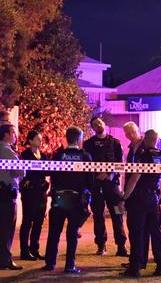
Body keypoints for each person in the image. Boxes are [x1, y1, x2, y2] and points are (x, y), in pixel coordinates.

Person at [43, 126, 93, 273]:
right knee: (72, 234)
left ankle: (50, 263)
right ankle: (70, 265)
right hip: (76, 200)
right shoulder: (85, 157)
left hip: (59, 198)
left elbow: (53, 176)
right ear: (79, 139)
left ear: (67, 138)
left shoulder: (58, 155)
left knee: (54, 232)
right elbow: (90, 182)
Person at [121, 129, 161, 278]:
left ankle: (135, 267)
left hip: (140, 198)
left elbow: (135, 178)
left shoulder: (143, 155)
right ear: (157, 140)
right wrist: (159, 197)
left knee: (136, 233)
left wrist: (125, 197)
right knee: (156, 232)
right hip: (154, 198)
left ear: (145, 140)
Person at [83, 117, 128, 256]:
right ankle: (101, 245)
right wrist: (96, 176)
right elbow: (86, 165)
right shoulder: (88, 144)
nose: (98, 125)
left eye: (99, 123)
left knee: (117, 214)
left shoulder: (115, 143)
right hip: (96, 186)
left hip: (112, 186)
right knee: (98, 215)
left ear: (104, 124)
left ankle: (121, 246)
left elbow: (120, 163)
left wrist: (109, 175)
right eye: (94, 124)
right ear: (93, 128)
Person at [19, 130, 48, 261]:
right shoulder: (24, 155)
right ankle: (24, 251)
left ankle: (34, 249)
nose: (40, 141)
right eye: (37, 139)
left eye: (41, 139)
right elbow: (23, 174)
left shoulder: (44, 155)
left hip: (41, 193)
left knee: (38, 222)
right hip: (29, 193)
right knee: (27, 221)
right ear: (30, 141)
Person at [0, 114, 24, 270]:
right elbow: (19, 172)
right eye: (13, 133)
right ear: (7, 135)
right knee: (7, 228)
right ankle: (5, 260)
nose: (15, 136)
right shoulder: (7, 151)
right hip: (7, 193)